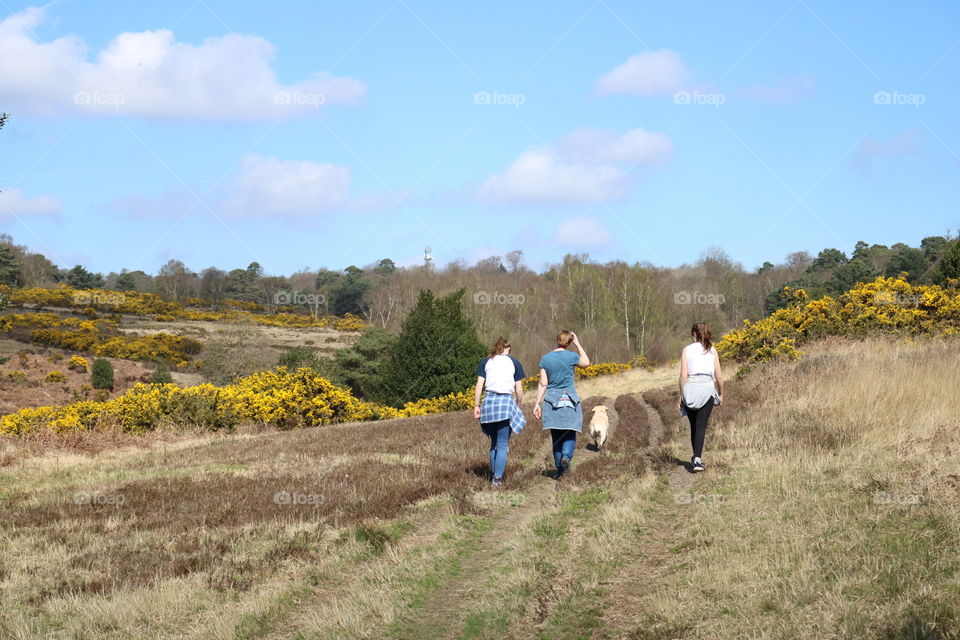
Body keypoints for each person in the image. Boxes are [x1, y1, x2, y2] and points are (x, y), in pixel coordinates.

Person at [533, 330, 590, 478]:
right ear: (569, 342)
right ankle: (566, 457)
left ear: (557, 340)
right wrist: (578, 344)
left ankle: (559, 470)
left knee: (556, 436)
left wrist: (537, 403)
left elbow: (543, 383)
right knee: (570, 432)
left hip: (552, 401)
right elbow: (586, 363)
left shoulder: (546, 359)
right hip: (569, 400)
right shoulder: (572, 356)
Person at [474, 337, 526, 487]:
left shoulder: (486, 361)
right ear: (507, 348)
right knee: (503, 444)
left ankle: (493, 474)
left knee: (494, 443)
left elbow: (479, 386)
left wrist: (477, 405)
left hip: (488, 403)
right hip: (505, 402)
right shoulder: (514, 362)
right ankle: (497, 478)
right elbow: (519, 389)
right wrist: (518, 404)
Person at [678, 322, 723, 472]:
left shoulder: (686, 350)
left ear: (694, 334)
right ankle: (697, 459)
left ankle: (695, 458)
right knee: (701, 426)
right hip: (707, 389)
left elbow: (683, 376)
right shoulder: (712, 350)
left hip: (690, 388)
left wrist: (681, 396)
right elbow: (719, 376)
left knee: (693, 426)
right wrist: (721, 394)